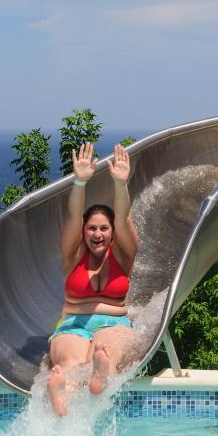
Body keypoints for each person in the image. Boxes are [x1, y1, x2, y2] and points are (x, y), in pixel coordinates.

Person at [46, 142, 139, 416]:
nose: (97, 234)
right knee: (69, 361)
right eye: (91, 228)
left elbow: (123, 217)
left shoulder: (123, 256)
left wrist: (120, 184)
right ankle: (63, 393)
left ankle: (99, 376)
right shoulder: (72, 256)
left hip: (113, 322)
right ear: (84, 231)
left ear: (113, 233)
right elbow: (74, 215)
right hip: (73, 324)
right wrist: (79, 182)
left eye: (104, 229)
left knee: (104, 352)